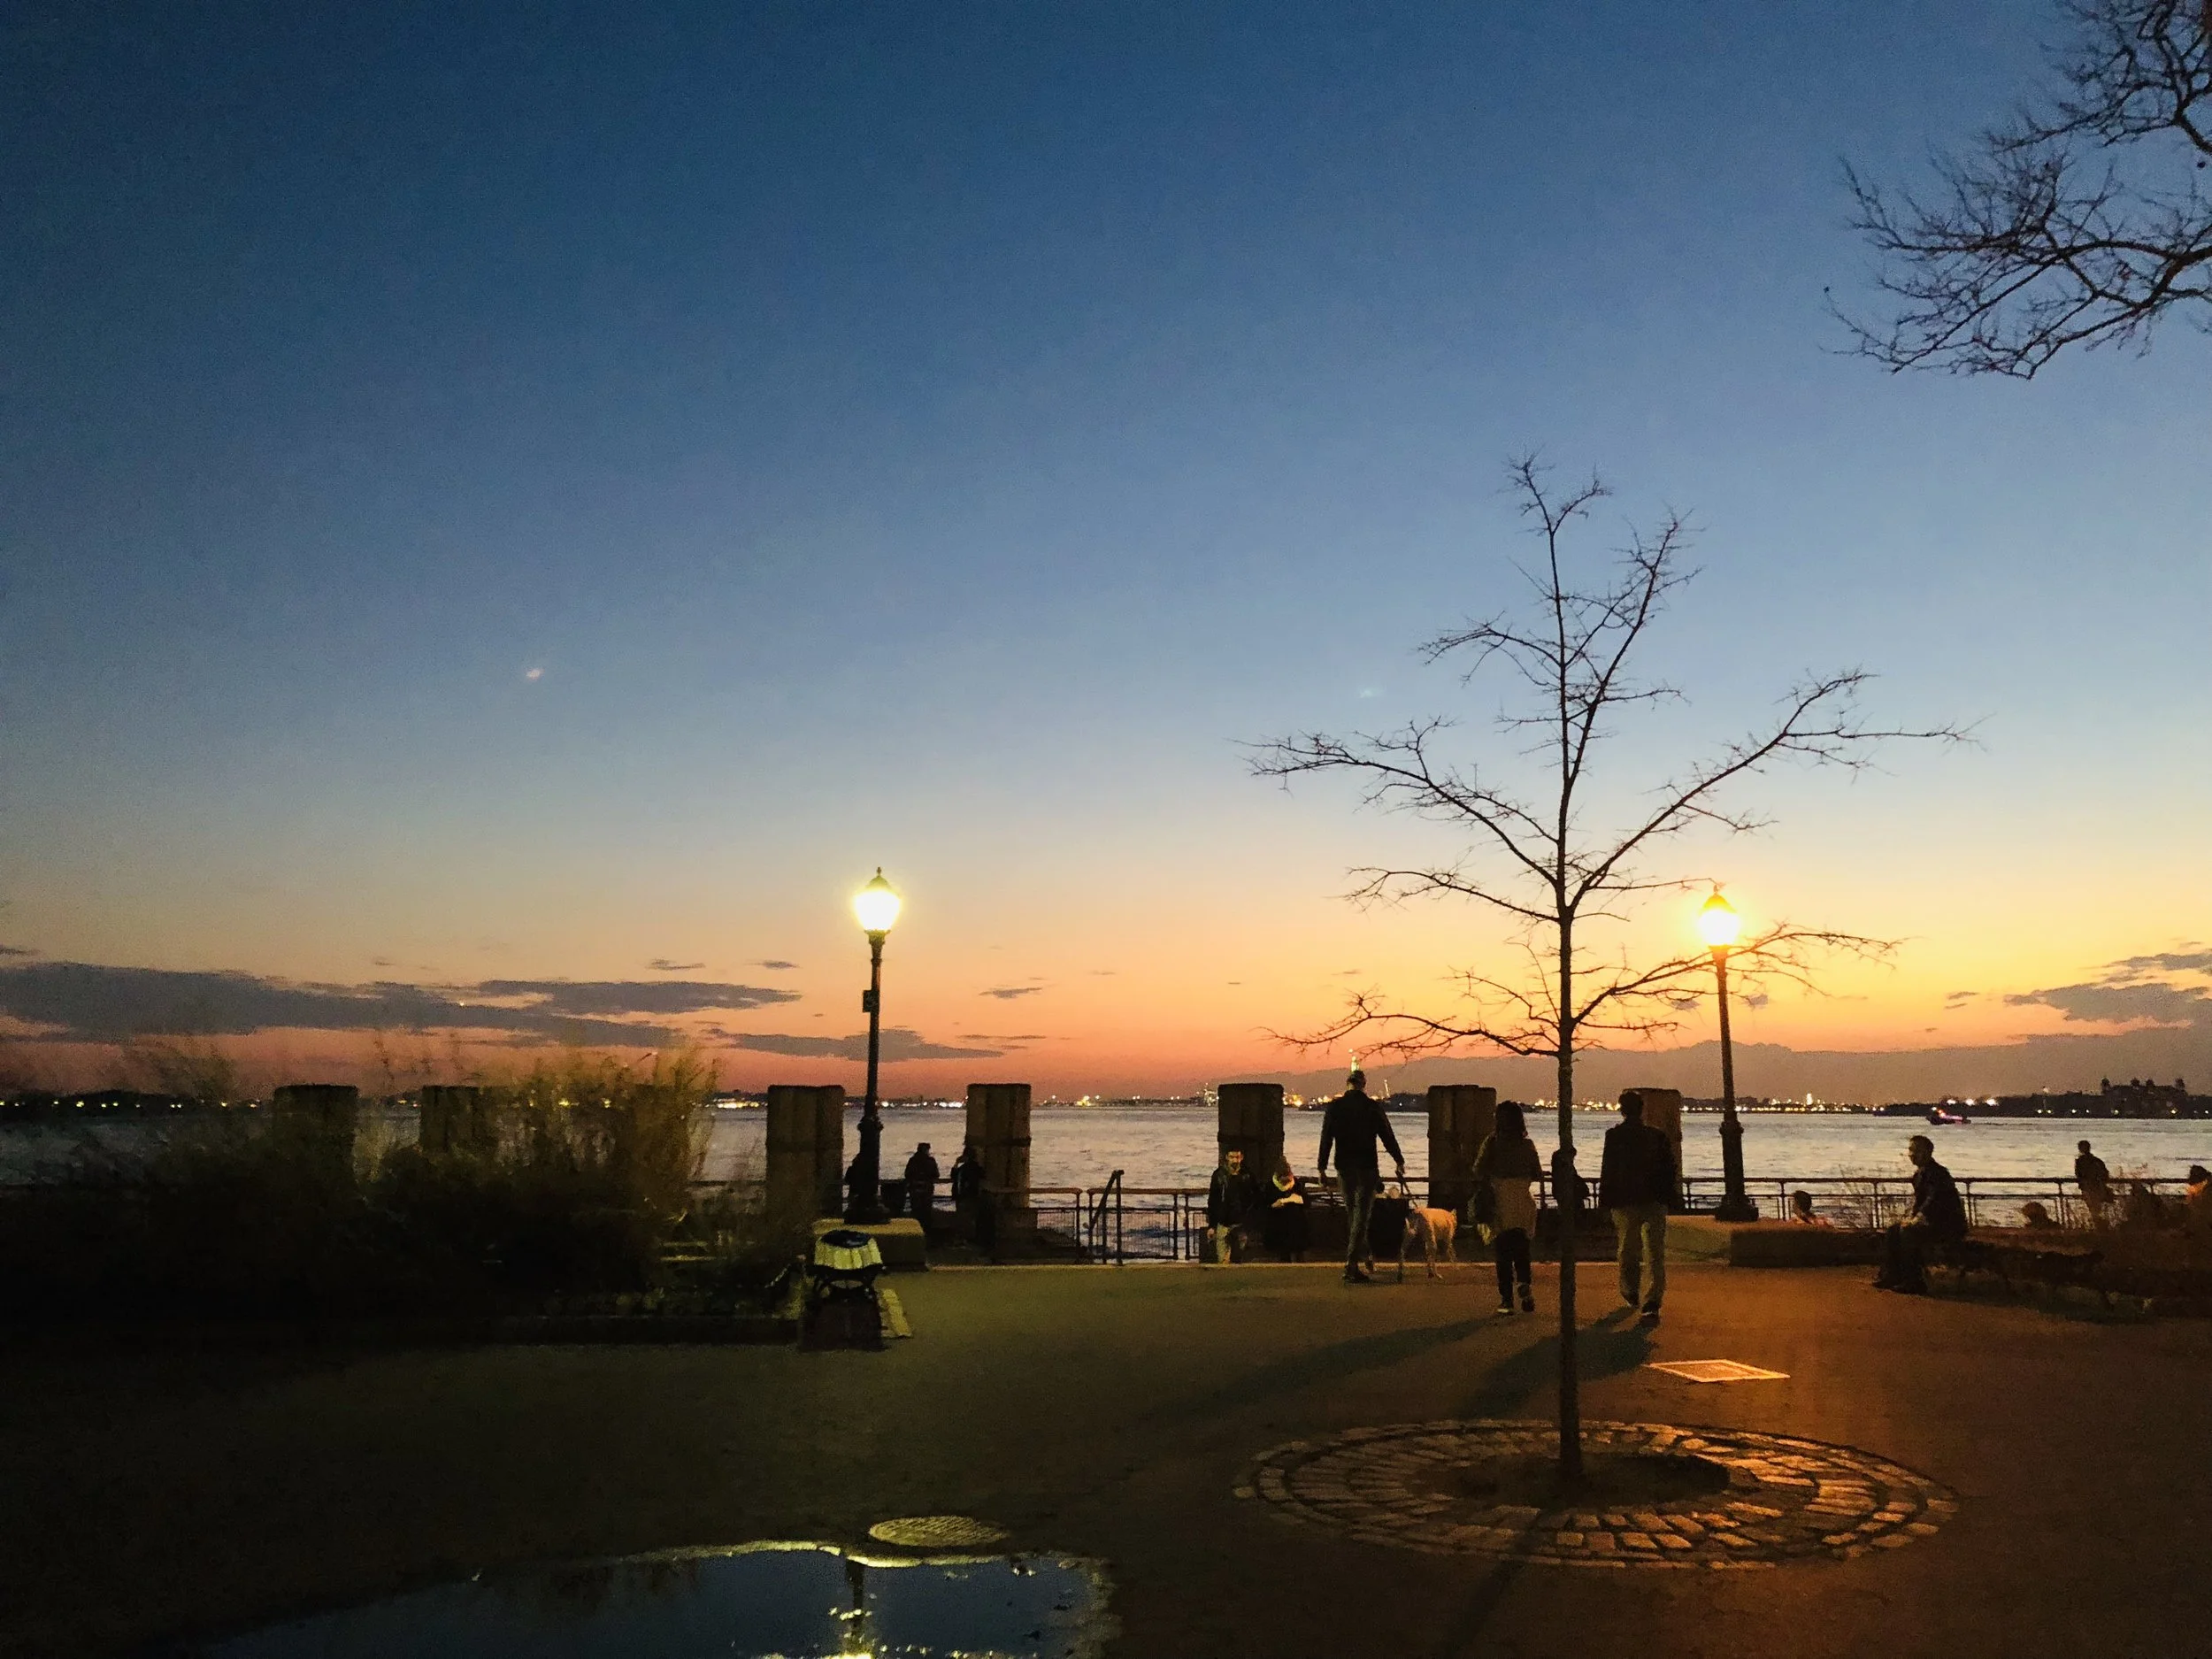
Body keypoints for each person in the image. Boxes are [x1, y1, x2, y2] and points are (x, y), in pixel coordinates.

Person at [1317, 1069, 1405, 1284]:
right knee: (1361, 1217)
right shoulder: (1372, 1107)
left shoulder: (1335, 1107)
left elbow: (1326, 1139)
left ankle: (1363, 1258)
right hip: (1366, 1168)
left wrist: (1321, 1168)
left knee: (1353, 1216)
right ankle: (1352, 1264)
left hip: (1344, 1168)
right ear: (1363, 1084)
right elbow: (1387, 1135)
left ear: (1347, 1084)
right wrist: (1399, 1159)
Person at [1600, 1094, 1677, 1325]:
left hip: (1625, 1200)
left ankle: (1630, 1290)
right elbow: (1670, 1168)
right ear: (1642, 1110)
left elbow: (1609, 1170)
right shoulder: (1657, 1136)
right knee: (1655, 1251)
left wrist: (1605, 1202)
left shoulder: (1614, 1137)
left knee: (1627, 1248)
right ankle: (1652, 1300)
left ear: (1622, 1110)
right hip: (1654, 1199)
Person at [1471, 1100, 1540, 1316]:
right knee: (1522, 1247)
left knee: (1503, 1252)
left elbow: (1477, 1169)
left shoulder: (1492, 1143)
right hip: (1522, 1198)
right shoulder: (1527, 1145)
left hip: (1500, 1199)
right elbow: (1537, 1172)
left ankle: (1506, 1300)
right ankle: (1524, 1284)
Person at [1874, 1133, 1967, 1294]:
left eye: (1914, 1150)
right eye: (1910, 1150)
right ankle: (1893, 1275)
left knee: (1908, 1233)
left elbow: (1935, 1198)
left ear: (1926, 1152)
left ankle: (1914, 1280)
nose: (1911, 1154)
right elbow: (1921, 1201)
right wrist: (1911, 1217)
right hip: (1931, 1223)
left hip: (1947, 1225)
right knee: (1893, 1230)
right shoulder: (1919, 1175)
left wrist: (1918, 1218)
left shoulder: (1938, 1173)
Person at [1205, 1147, 1261, 1264]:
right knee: (1223, 1260)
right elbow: (1213, 1201)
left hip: (1241, 1223)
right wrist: (1212, 1225)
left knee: (1239, 1259)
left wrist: (1250, 1220)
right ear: (1227, 1158)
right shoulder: (1218, 1175)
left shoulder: (1248, 1176)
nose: (1235, 1160)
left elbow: (1256, 1198)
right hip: (1223, 1222)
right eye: (1232, 1157)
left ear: (1242, 1158)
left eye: (1237, 1157)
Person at [1261, 1160, 1311, 1262]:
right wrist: (1273, 1206)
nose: (1287, 1183)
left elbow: (1307, 1202)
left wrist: (1299, 1199)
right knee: (1283, 1254)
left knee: (1299, 1255)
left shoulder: (1297, 1184)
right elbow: (1262, 1206)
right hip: (1279, 1225)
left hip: (1297, 1225)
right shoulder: (1270, 1187)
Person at [902, 1142, 941, 1240]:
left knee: (916, 1211)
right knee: (926, 1212)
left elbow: (907, 1174)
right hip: (927, 1190)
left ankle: (914, 1233)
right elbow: (936, 1174)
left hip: (915, 1190)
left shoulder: (912, 1161)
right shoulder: (930, 1161)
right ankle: (926, 1234)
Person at [2075, 1140, 2112, 1228]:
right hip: (2098, 1188)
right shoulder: (2097, 1161)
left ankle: (2098, 1226)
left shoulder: (2080, 1161)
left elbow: (2079, 1175)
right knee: (2097, 1209)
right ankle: (2100, 1226)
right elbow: (2105, 1174)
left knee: (2093, 1209)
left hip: (2088, 1188)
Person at [949, 1144, 984, 1240]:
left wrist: (956, 1163)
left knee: (963, 1219)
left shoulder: (964, 1168)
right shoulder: (975, 1167)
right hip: (971, 1195)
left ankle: (965, 1238)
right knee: (970, 1218)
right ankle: (969, 1238)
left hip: (964, 1196)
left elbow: (953, 1175)